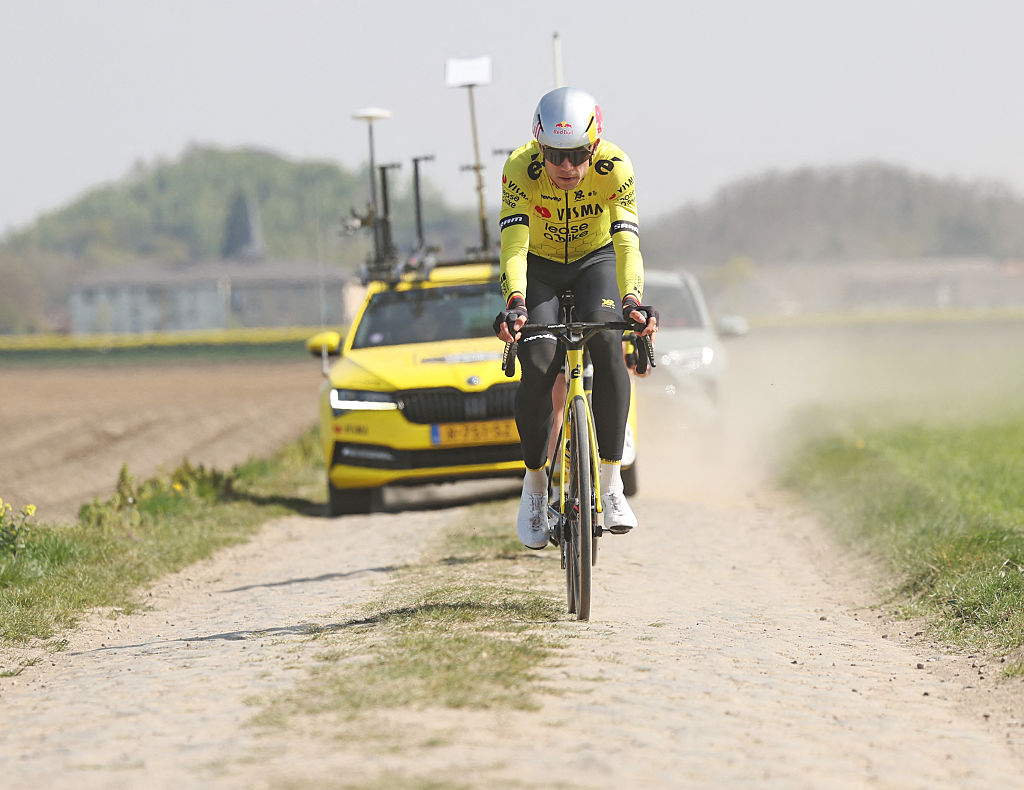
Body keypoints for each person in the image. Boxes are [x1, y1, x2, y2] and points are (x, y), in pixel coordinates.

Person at [493, 86, 658, 550]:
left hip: (595, 261)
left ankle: (610, 483)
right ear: (538, 146)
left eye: (578, 154)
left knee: (608, 342)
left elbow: (627, 244)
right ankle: (535, 487)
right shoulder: (519, 168)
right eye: (555, 155)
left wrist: (632, 301)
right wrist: (518, 302)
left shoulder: (615, 168)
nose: (567, 167)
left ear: (596, 146)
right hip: (540, 268)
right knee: (540, 362)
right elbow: (514, 247)